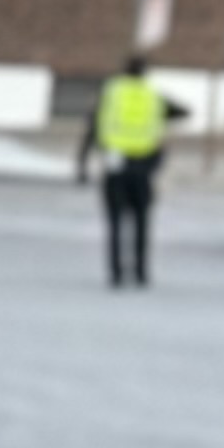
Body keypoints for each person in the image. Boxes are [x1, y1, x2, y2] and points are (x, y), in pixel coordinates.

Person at [85, 51, 170, 288]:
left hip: (116, 164)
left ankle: (116, 273)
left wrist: (83, 161)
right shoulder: (152, 94)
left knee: (115, 222)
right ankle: (141, 272)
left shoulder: (112, 91)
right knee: (142, 222)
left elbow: (94, 125)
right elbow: (174, 115)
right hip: (143, 166)